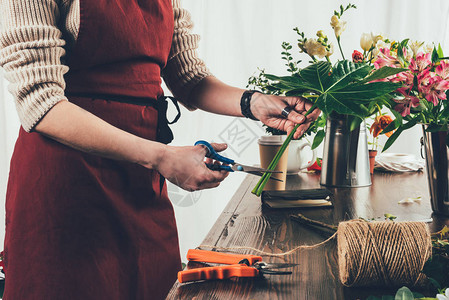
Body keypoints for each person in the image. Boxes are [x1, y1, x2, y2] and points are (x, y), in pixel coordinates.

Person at [0, 0, 319, 299]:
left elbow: (190, 78)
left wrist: (254, 103)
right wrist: (162, 157)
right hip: (65, 190)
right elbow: (40, 101)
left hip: (140, 183)